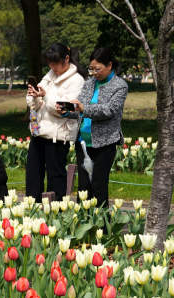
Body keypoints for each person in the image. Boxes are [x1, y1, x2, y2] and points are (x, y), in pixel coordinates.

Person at [69, 47, 128, 208]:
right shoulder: (89, 84)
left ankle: (102, 227)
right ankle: (82, 226)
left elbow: (109, 110)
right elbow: (79, 108)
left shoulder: (119, 86)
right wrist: (67, 111)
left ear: (109, 65)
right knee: (83, 187)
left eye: (97, 69)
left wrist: (83, 109)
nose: (94, 72)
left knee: (98, 186)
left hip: (105, 144)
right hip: (83, 143)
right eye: (91, 68)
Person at [25, 43, 85, 200]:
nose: (52, 67)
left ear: (66, 59)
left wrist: (45, 97)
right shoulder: (49, 75)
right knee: (32, 173)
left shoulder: (77, 80)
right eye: (49, 63)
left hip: (58, 136)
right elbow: (36, 104)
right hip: (39, 131)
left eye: (55, 63)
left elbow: (66, 109)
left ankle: (55, 210)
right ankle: (32, 209)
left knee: (55, 176)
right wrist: (34, 96)